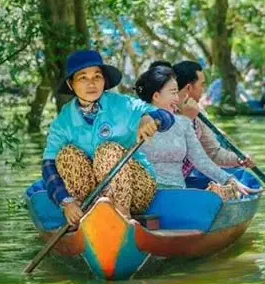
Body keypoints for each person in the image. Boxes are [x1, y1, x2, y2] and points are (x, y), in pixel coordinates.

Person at [41, 50, 174, 225]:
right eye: (83, 78)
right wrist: (66, 202)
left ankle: (122, 218)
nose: (91, 83)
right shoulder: (63, 120)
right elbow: (48, 165)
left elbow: (167, 117)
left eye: (97, 76)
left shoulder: (123, 104)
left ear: (104, 81)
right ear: (70, 84)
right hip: (93, 196)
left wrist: (149, 119)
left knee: (107, 150)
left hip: (136, 190)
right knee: (66, 154)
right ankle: (87, 217)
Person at [135, 65, 254, 199]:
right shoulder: (135, 121)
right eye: (173, 92)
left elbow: (201, 160)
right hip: (144, 195)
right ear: (156, 96)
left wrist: (229, 180)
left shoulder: (183, 122)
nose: (176, 98)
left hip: (177, 193)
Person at [171, 60, 257, 188]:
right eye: (202, 85)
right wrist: (186, 119)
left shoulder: (199, 114)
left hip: (180, 184)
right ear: (189, 88)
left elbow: (214, 154)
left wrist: (239, 159)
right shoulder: (163, 111)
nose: (203, 90)